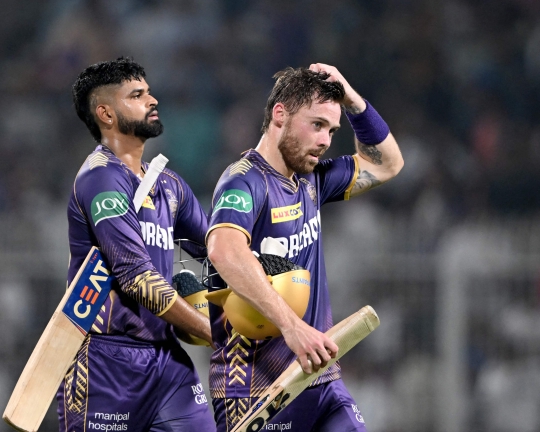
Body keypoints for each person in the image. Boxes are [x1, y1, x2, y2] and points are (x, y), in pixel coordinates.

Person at [206, 64, 404, 431]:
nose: (326, 140)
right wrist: (292, 327)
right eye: (316, 125)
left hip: (320, 378)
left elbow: (389, 163)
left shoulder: (312, 179)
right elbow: (224, 250)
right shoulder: (244, 181)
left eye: (331, 130)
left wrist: (352, 99)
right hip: (255, 390)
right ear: (279, 115)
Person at [57, 57, 215, 431]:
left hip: (167, 361)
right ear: (106, 114)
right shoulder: (100, 179)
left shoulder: (171, 186)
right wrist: (213, 332)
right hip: (107, 363)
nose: (152, 99)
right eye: (138, 94)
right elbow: (137, 277)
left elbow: (219, 252)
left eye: (149, 91)